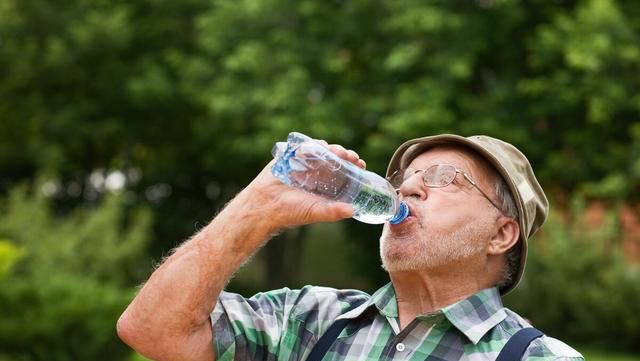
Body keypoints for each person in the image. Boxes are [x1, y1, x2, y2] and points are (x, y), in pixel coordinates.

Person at [117, 134, 584, 361]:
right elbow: (153, 329)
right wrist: (256, 209)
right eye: (404, 178)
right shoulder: (307, 321)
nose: (409, 189)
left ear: (501, 234)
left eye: (444, 179)